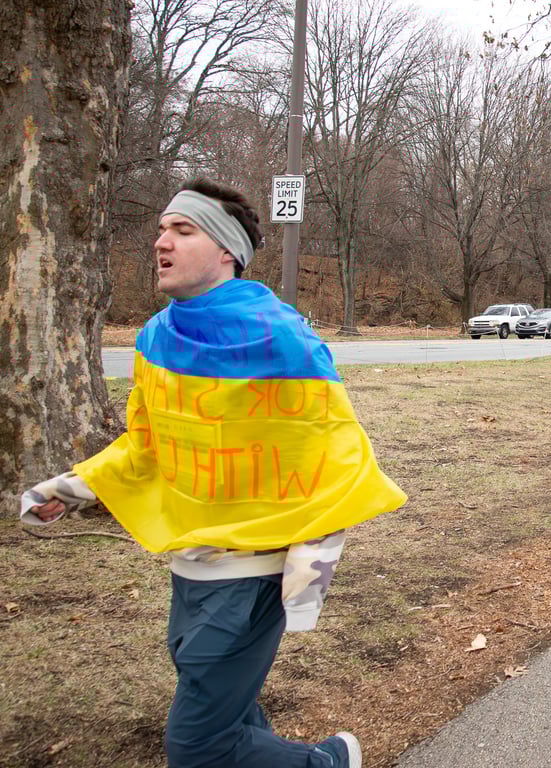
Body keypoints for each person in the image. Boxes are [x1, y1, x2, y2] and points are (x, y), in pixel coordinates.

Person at [20, 179, 409, 768]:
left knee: (198, 747)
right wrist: (72, 487)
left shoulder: (281, 338)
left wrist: (311, 575)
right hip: (189, 568)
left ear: (226, 251)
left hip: (253, 574)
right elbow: (145, 444)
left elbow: (334, 458)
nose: (160, 242)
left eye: (182, 229)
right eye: (160, 229)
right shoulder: (155, 338)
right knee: (228, 706)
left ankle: (329, 762)